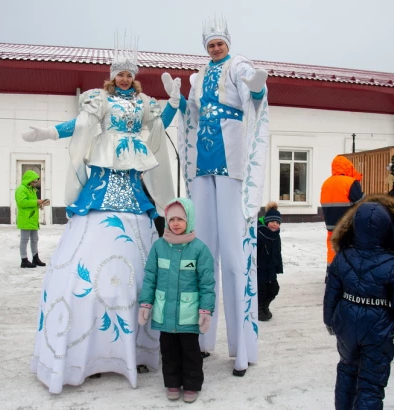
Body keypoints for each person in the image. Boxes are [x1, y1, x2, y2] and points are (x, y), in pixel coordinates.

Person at [22, 39, 177, 393]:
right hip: (100, 192)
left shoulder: (142, 104)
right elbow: (78, 126)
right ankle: (86, 350)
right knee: (87, 276)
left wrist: (175, 101)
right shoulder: (100, 100)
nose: (124, 78)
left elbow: (159, 126)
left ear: (135, 78)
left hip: (135, 198)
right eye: (119, 74)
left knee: (138, 276)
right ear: (112, 76)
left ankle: (137, 348)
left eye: (129, 74)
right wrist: (47, 133)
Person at [170, 16, 270, 377]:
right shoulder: (198, 75)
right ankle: (202, 338)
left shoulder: (237, 66)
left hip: (230, 164)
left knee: (232, 254)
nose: (215, 48)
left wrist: (257, 88)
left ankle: (241, 348)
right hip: (202, 167)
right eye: (210, 44)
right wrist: (179, 101)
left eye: (219, 43)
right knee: (202, 251)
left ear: (228, 43)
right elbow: (191, 117)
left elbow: (254, 98)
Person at [323, 194, 394, 410]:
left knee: (347, 370)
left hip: (346, 320)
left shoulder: (342, 256)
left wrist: (329, 320)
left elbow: (331, 291)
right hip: (379, 325)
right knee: (371, 383)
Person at [138, 198, 216, 403]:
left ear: (189, 220)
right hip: (164, 312)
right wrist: (145, 303)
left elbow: (207, 284)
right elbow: (150, 277)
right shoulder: (159, 247)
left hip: (189, 315)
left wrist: (206, 310)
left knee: (190, 352)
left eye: (180, 219)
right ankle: (172, 383)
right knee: (169, 351)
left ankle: (191, 385)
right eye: (171, 219)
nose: (175, 223)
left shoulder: (199, 249)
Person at [320, 155, 364, 277]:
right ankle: (347, 276)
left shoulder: (326, 183)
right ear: (348, 168)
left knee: (332, 250)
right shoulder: (350, 182)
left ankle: (331, 275)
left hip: (331, 225)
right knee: (349, 250)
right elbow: (361, 204)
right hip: (348, 225)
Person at [15, 170, 48, 268]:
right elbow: (22, 203)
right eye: (33, 182)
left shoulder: (32, 190)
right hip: (25, 219)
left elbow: (31, 203)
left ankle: (35, 257)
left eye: (36, 182)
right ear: (28, 180)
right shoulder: (21, 189)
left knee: (35, 239)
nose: (35, 184)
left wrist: (40, 204)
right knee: (24, 240)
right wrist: (36, 202)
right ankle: (24, 260)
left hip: (32, 218)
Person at [257, 201, 283, 322]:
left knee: (274, 289)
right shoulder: (259, 233)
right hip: (260, 269)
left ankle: (265, 306)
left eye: (277, 222)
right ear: (267, 221)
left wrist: (279, 268)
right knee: (262, 291)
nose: (275, 225)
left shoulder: (276, 235)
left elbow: (278, 252)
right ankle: (259, 309)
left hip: (271, 268)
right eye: (272, 222)